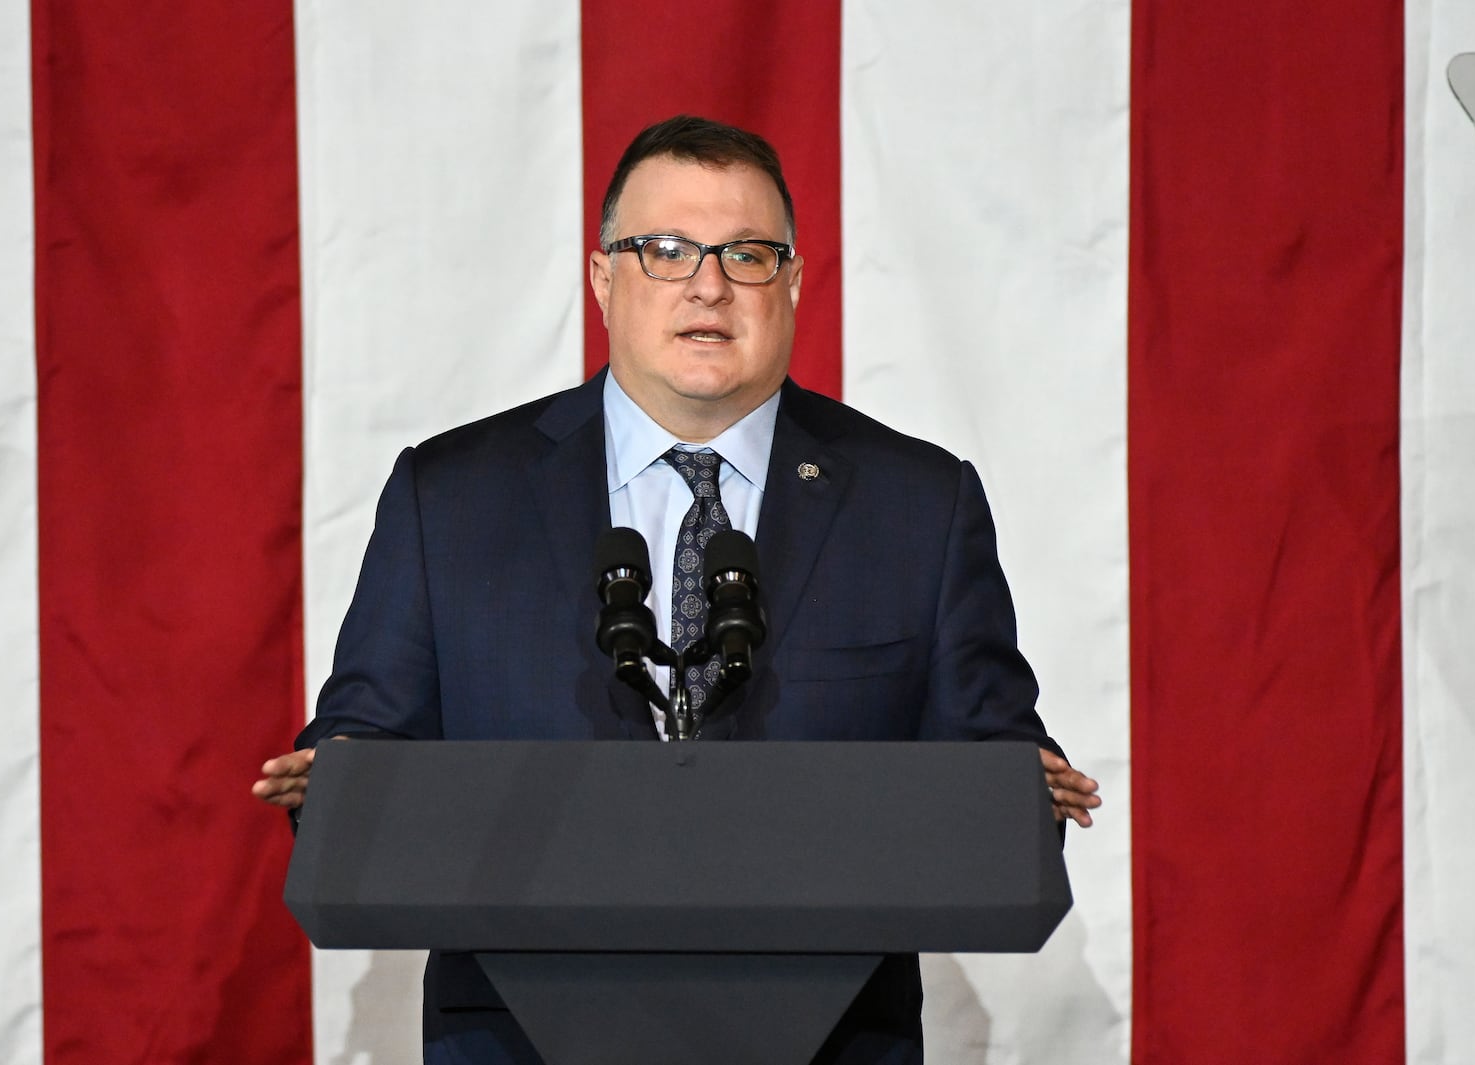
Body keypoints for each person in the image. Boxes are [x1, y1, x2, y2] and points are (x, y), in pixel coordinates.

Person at [255, 114, 1100, 1065]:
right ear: (602, 279)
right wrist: (340, 782)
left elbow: (990, 773)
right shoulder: (452, 497)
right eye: (664, 249)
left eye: (747, 253)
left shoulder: (916, 504)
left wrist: (1022, 786)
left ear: (792, 282)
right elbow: (367, 747)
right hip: (515, 1038)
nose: (707, 283)